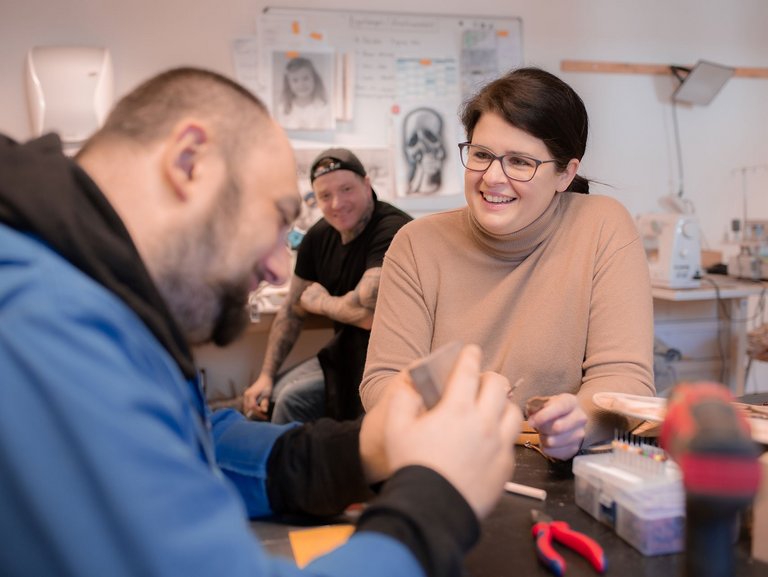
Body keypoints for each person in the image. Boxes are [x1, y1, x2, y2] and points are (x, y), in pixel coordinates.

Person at [0, 67, 524, 577]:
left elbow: (188, 442)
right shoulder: (42, 319)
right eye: (277, 218)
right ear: (188, 162)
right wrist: (437, 499)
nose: (278, 263)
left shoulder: (76, 280)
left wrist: (359, 450)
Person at [360, 66, 656, 461]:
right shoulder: (417, 244)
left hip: (557, 467)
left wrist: (577, 423)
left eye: (519, 162)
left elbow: (625, 379)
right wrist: (455, 403)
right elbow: (382, 382)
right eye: (481, 155)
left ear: (565, 173)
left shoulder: (602, 226)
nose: (492, 177)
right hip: (443, 461)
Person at [243, 148, 412, 423]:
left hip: (392, 361)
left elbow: (367, 315)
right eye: (325, 196)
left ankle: (294, 465)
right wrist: (265, 375)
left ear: (367, 185)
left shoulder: (393, 229)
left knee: (291, 400)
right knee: (267, 397)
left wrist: (319, 302)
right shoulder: (319, 235)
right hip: (346, 352)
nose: (336, 203)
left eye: (346, 189)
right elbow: (291, 311)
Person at [276, 56, 332, 131]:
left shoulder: (324, 108)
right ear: (288, 84)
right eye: (295, 80)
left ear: (314, 79)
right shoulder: (283, 108)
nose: (301, 85)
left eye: (306, 78)